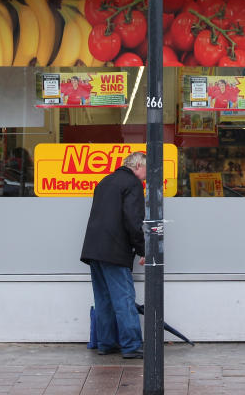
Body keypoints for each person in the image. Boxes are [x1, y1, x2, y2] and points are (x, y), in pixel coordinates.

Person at [79, 151, 146, 359]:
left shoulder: (105, 181)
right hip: (114, 251)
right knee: (124, 299)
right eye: (147, 169)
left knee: (103, 300)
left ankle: (106, 343)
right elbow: (133, 222)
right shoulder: (133, 185)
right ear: (137, 166)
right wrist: (143, 249)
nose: (147, 175)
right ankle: (131, 346)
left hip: (94, 249)